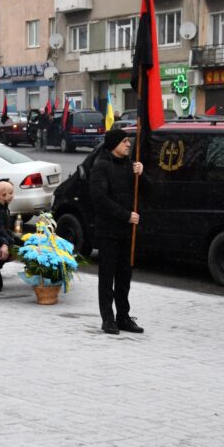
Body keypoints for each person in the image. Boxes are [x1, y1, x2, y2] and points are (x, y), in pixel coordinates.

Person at [90, 128, 146, 334]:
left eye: (129, 141)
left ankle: (124, 317)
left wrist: (142, 173)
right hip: (107, 232)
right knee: (107, 278)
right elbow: (100, 199)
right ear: (114, 145)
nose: (129, 144)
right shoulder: (101, 167)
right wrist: (125, 215)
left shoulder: (131, 166)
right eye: (124, 141)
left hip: (126, 233)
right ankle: (108, 319)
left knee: (124, 278)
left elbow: (148, 190)